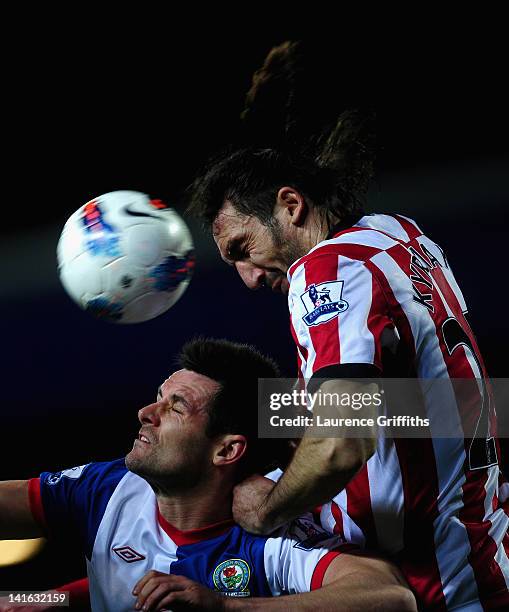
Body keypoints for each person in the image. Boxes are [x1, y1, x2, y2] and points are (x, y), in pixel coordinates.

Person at [187, 134, 509, 608]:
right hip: (488, 557)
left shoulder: (325, 271)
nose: (249, 278)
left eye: (242, 247)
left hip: (438, 589)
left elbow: (343, 441)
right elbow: (430, 405)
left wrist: (268, 510)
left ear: (290, 205)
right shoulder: (397, 233)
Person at [0, 338, 415, 612]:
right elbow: (127, 586)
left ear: (227, 449)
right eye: (158, 399)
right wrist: (33, 598)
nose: (146, 414)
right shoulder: (107, 490)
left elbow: (390, 596)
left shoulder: (268, 539)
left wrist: (226, 607)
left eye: (175, 408)